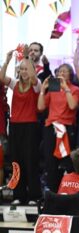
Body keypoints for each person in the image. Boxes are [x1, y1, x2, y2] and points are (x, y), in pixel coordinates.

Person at [0, 49, 42, 205]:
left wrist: (26, 58)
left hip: (30, 126)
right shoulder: (15, 84)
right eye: (22, 69)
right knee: (16, 162)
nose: (24, 72)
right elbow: (1, 77)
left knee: (30, 161)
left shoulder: (35, 85)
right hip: (16, 126)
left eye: (26, 68)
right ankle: (18, 195)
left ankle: (34, 196)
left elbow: (32, 76)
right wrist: (7, 59)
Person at [37, 63, 79, 193]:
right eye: (59, 71)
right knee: (50, 162)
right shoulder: (53, 88)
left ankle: (70, 190)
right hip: (51, 127)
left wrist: (66, 88)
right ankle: (52, 192)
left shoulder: (74, 89)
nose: (61, 74)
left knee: (68, 161)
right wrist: (42, 90)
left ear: (70, 74)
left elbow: (72, 106)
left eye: (64, 71)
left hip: (66, 128)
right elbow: (40, 107)